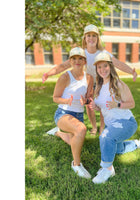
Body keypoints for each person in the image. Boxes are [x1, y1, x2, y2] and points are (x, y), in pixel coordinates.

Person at [43, 24, 137, 135]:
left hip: (102, 83)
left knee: (104, 106)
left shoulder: (104, 53)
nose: (91, 38)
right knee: (89, 106)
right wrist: (48, 74)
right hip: (88, 83)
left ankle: (102, 127)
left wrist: (131, 71)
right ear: (85, 38)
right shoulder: (81, 54)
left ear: (97, 39)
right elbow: (63, 66)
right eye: (88, 36)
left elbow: (118, 63)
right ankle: (94, 127)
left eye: (94, 36)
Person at [88, 52, 140, 184]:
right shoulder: (98, 87)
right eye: (99, 67)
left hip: (126, 123)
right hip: (112, 124)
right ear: (96, 69)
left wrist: (117, 104)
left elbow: (132, 104)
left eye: (105, 66)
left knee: (105, 137)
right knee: (117, 149)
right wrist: (95, 107)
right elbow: (102, 107)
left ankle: (107, 169)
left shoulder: (118, 84)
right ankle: (139, 143)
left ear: (110, 67)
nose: (102, 70)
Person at [51, 47, 93, 179]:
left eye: (80, 58)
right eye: (74, 58)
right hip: (63, 113)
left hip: (78, 115)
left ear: (85, 61)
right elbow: (55, 98)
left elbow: (89, 98)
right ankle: (76, 164)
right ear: (70, 61)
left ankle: (58, 132)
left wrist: (85, 101)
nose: (77, 61)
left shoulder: (89, 77)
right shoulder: (65, 77)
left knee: (74, 139)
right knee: (81, 129)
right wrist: (66, 100)